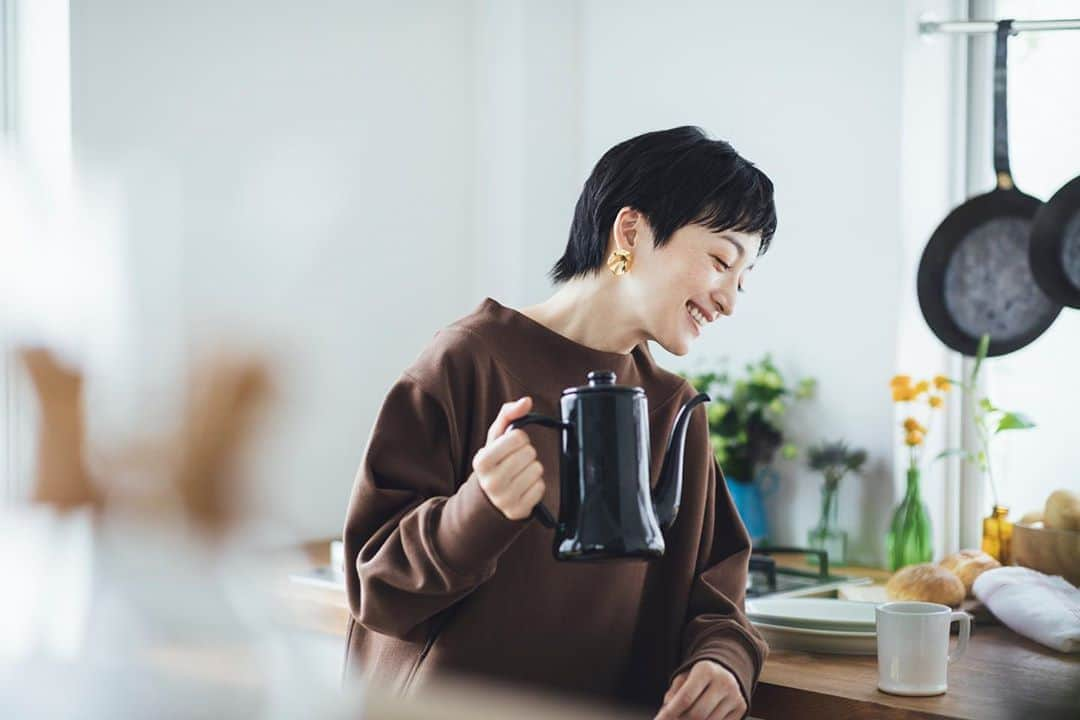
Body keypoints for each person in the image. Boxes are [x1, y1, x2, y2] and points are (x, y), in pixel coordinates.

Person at [342, 126, 775, 720]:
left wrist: (724, 660)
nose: (729, 298)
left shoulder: (674, 408)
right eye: (722, 261)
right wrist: (479, 510)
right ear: (631, 233)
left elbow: (716, 587)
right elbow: (374, 590)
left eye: (743, 278)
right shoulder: (468, 362)